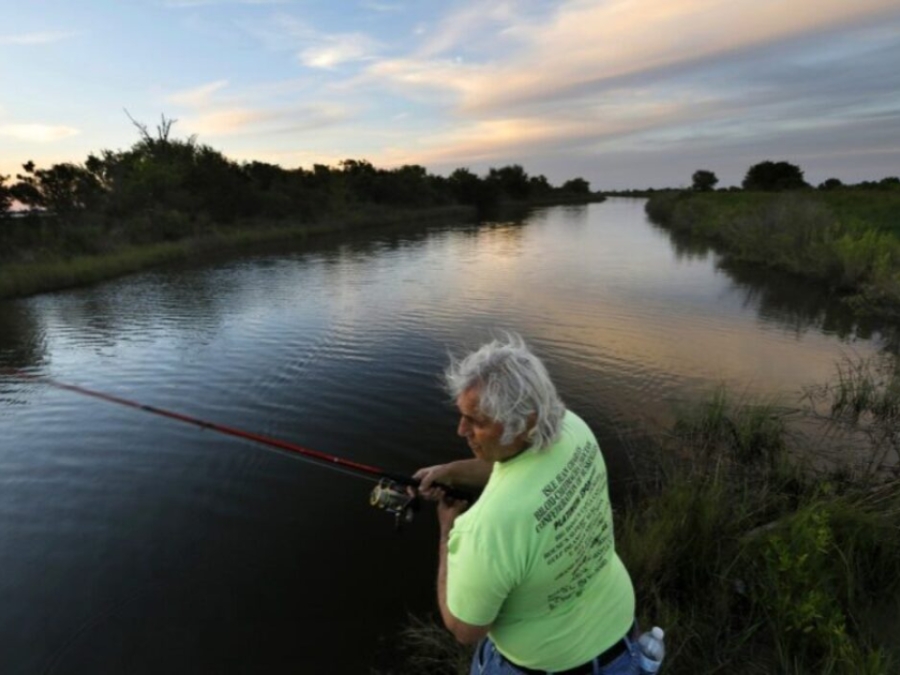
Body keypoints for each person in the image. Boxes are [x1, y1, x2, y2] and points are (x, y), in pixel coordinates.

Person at [415, 333, 638, 675]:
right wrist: (449, 472)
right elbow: (513, 467)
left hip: (547, 665)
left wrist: (447, 530)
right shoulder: (572, 428)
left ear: (525, 422)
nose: (461, 430)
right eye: (462, 415)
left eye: (476, 421)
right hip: (623, 639)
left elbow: (464, 629)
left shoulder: (488, 527)